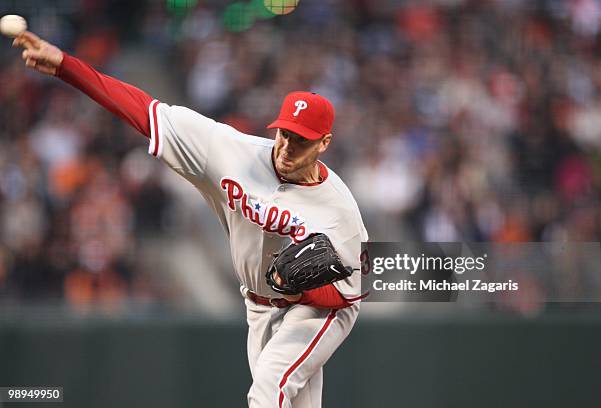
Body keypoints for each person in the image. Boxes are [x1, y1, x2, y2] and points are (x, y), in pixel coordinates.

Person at [12, 31, 368, 407]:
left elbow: (351, 293)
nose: (287, 146)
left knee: (269, 387)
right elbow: (144, 111)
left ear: (324, 143)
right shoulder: (231, 152)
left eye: (301, 140)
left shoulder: (339, 210)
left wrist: (300, 288)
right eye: (284, 134)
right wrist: (67, 68)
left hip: (318, 311)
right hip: (259, 306)